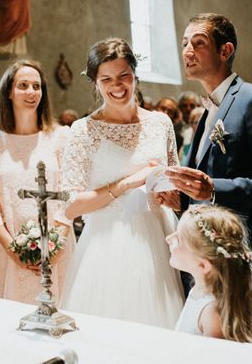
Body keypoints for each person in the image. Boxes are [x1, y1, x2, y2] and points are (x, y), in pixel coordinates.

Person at [162, 13, 252, 344]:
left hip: (244, 260)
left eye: (198, 43)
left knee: (250, 350)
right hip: (207, 263)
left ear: (226, 51)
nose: (187, 51)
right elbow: (214, 177)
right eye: (184, 43)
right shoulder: (208, 109)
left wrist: (213, 190)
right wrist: (181, 197)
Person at [60, 37, 184, 329]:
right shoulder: (82, 130)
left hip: (158, 235)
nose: (117, 86)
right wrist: (128, 183)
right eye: (107, 79)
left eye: (124, 76)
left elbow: (178, 190)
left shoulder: (161, 123)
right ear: (95, 83)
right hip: (107, 244)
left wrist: (170, 193)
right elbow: (71, 206)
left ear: (135, 75)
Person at [0, 60, 74, 303]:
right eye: (23, 86)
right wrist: (14, 250)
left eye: (36, 86)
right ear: (9, 92)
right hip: (8, 249)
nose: (31, 92)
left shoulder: (60, 137)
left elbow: (70, 193)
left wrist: (55, 245)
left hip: (57, 247)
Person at [168, 205, 252, 342]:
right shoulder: (200, 288)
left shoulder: (212, 314)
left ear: (203, 265)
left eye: (178, 238)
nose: (168, 238)